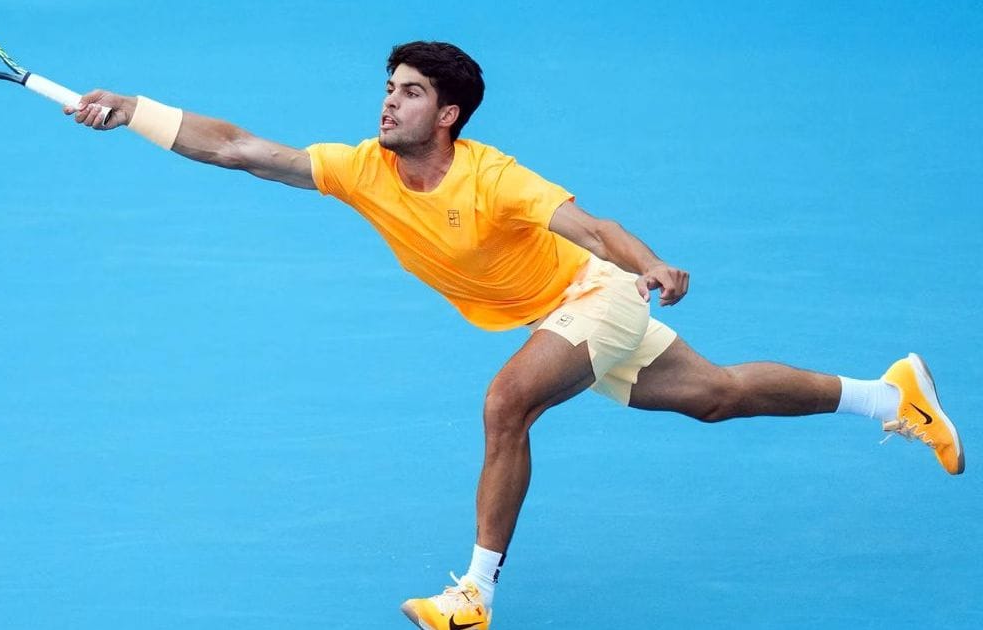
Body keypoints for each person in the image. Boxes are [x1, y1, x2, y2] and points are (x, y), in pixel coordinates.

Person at [65, 41, 964, 630]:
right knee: (718, 397)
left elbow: (592, 227)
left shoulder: (492, 178)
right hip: (559, 316)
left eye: (410, 93)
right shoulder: (359, 169)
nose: (388, 104)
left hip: (599, 295)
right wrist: (135, 107)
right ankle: (889, 394)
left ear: (448, 115)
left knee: (506, 403)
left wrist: (651, 263)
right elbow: (236, 147)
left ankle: (474, 594)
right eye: (388, 89)